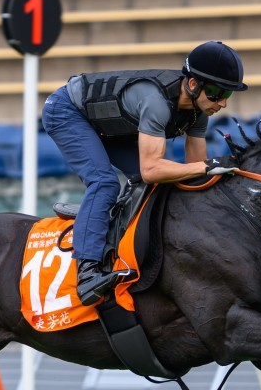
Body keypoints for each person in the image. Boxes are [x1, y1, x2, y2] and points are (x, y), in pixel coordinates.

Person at [43, 40, 248, 306]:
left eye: (227, 95)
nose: (222, 103)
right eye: (216, 92)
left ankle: (98, 219)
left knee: (168, 179)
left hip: (104, 122)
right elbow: (152, 170)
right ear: (193, 84)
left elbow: (194, 174)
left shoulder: (199, 112)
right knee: (104, 183)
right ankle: (87, 272)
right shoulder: (157, 103)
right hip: (67, 110)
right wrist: (208, 166)